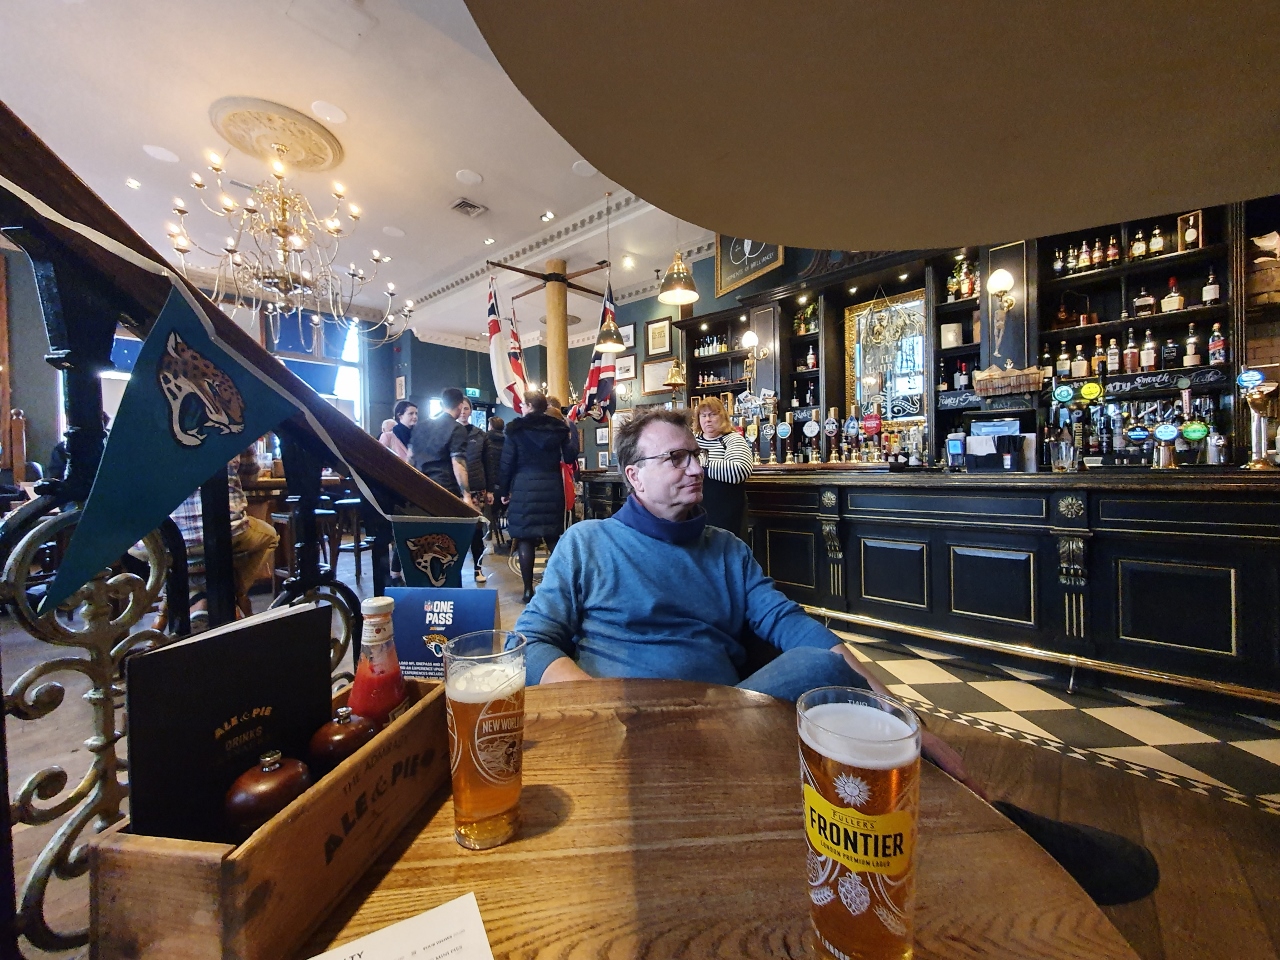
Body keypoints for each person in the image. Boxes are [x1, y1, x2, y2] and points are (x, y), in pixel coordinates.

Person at [511, 408, 974, 786]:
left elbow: (791, 625)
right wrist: (601, 703)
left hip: (721, 716)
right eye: (676, 459)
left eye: (695, 455)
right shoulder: (588, 542)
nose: (697, 469)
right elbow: (530, 641)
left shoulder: (727, 549)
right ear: (635, 476)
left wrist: (904, 717)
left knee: (823, 667)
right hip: (619, 726)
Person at [169, 452, 279, 617]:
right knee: (270, 536)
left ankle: (194, 598)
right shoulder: (231, 435)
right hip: (226, 530)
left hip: (168, 537)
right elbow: (250, 475)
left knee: (157, 553)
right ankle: (233, 592)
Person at [498, 392, 575, 604]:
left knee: (525, 539)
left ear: (530, 406)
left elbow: (507, 463)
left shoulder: (515, 429)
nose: (521, 407)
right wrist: (570, 430)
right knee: (552, 537)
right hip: (551, 485)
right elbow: (570, 456)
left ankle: (527, 590)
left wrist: (503, 491)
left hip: (524, 486)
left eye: (523, 404)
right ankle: (565, 588)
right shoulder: (558, 428)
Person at [694, 397, 754, 537]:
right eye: (703, 415)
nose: (707, 419)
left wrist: (701, 465)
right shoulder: (692, 440)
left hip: (727, 510)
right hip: (696, 509)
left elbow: (739, 470)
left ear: (723, 416)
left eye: (712, 414)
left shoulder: (733, 439)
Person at [408, 388, 471, 504]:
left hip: (419, 486)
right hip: (444, 488)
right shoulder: (457, 428)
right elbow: (458, 463)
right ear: (460, 405)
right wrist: (467, 496)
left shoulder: (420, 426)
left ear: (442, 404)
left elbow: (410, 458)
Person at [456, 398, 491, 583]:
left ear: (470, 411)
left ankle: (478, 569)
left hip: (477, 487)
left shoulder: (480, 435)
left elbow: (488, 462)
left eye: (466, 408)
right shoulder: (450, 432)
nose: (463, 412)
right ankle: (454, 570)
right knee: (456, 531)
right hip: (455, 488)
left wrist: (491, 489)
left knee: (477, 530)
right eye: (460, 408)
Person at [483, 416, 506, 546]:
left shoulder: (485, 441)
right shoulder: (508, 442)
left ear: (490, 426)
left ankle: (487, 541)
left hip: (491, 487)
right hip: (505, 490)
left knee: (485, 509)